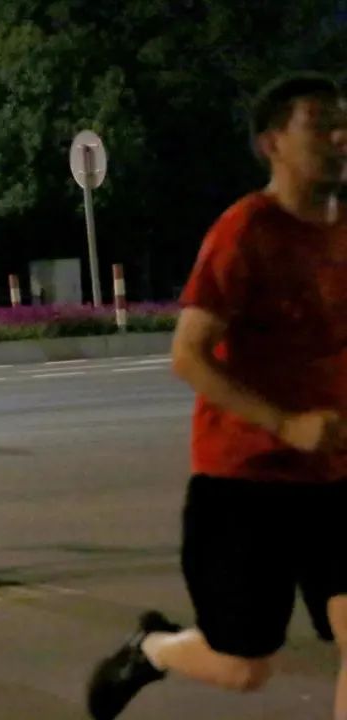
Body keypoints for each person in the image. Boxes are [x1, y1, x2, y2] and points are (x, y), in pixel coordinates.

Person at [86, 73, 347, 720]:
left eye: (343, 123)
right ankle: (152, 649)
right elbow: (189, 354)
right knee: (242, 666)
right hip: (246, 482)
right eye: (320, 124)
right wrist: (285, 424)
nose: (340, 137)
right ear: (272, 143)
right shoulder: (245, 231)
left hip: (337, 478)